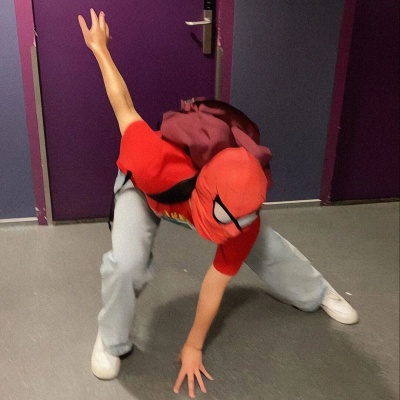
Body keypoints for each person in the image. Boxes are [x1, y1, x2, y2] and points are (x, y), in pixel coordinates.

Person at [78, 9, 358, 398]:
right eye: (227, 223)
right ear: (204, 197)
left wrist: (193, 346)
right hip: (145, 194)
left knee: (266, 245)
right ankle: (111, 339)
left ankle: (316, 290)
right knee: (126, 263)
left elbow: (214, 283)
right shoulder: (152, 161)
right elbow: (123, 106)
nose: (232, 233)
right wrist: (100, 49)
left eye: (240, 222)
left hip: (207, 199)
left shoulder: (243, 219)